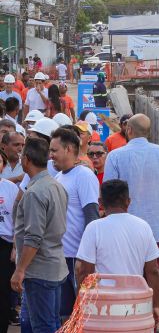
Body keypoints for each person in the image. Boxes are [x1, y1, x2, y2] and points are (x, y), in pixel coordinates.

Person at [103, 114, 159, 260]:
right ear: (148, 132)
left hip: (125, 231)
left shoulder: (115, 156)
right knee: (153, 274)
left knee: (128, 275)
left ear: (129, 130)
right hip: (157, 229)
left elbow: (107, 193)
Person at [75, 180, 159, 327]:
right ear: (128, 202)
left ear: (100, 202)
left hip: (102, 307)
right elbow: (153, 271)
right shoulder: (143, 227)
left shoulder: (94, 228)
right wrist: (156, 306)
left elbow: (84, 271)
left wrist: (81, 303)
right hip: (136, 305)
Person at [11, 137, 68, 333]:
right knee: (52, 324)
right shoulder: (55, 185)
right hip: (54, 265)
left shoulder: (35, 192)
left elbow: (33, 237)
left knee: (43, 326)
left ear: (26, 159)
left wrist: (20, 270)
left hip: (40, 270)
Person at [49, 127, 100, 322]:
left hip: (77, 258)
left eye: (54, 151)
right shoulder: (59, 177)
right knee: (64, 314)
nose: (51, 156)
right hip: (61, 257)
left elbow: (92, 217)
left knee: (82, 314)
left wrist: (87, 257)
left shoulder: (84, 176)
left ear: (69, 149)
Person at [0, 152, 20, 333]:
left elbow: (17, 219)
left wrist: (15, 245)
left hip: (5, 244)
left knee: (4, 291)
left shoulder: (10, 188)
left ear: (3, 165)